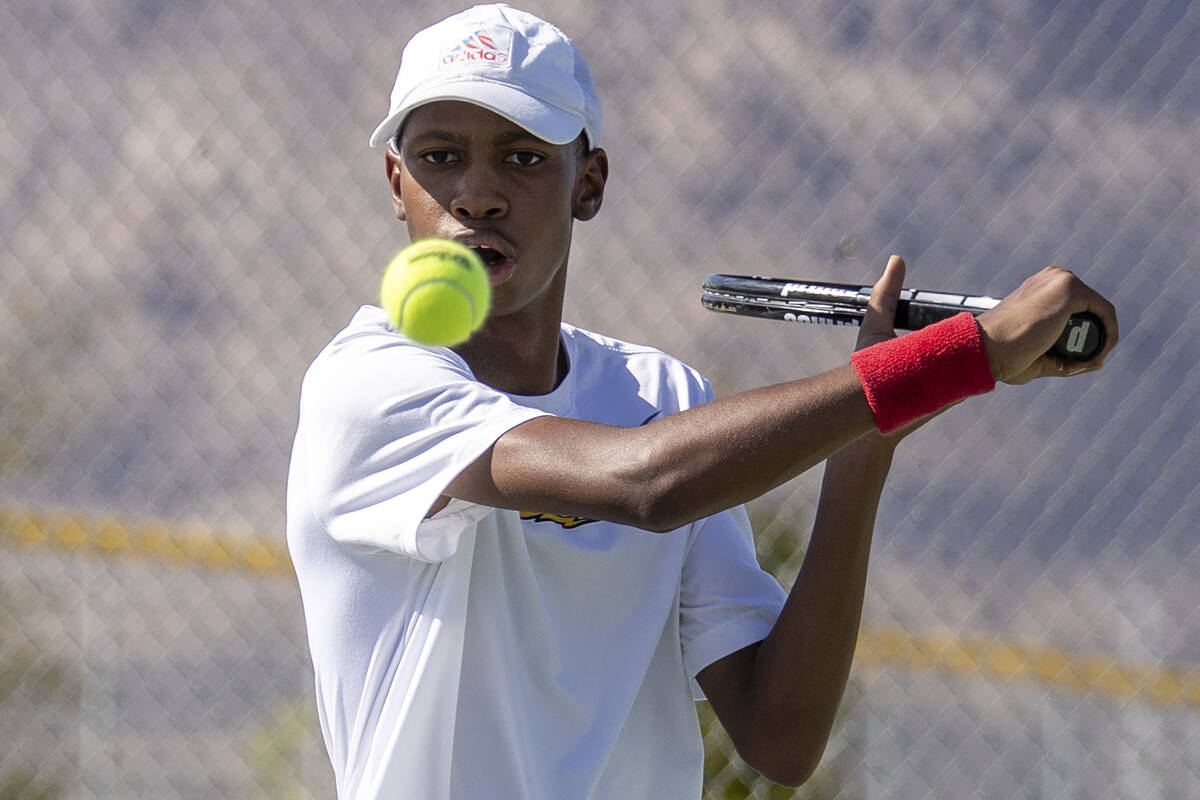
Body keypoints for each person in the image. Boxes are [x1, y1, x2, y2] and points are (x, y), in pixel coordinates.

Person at [285, 4, 1118, 798]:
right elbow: (647, 486)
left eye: (524, 155)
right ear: (397, 182)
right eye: (438, 156)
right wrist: (960, 355)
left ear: (590, 181)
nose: (476, 193)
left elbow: (781, 735)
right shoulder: (365, 389)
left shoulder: (659, 396)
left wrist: (870, 440)